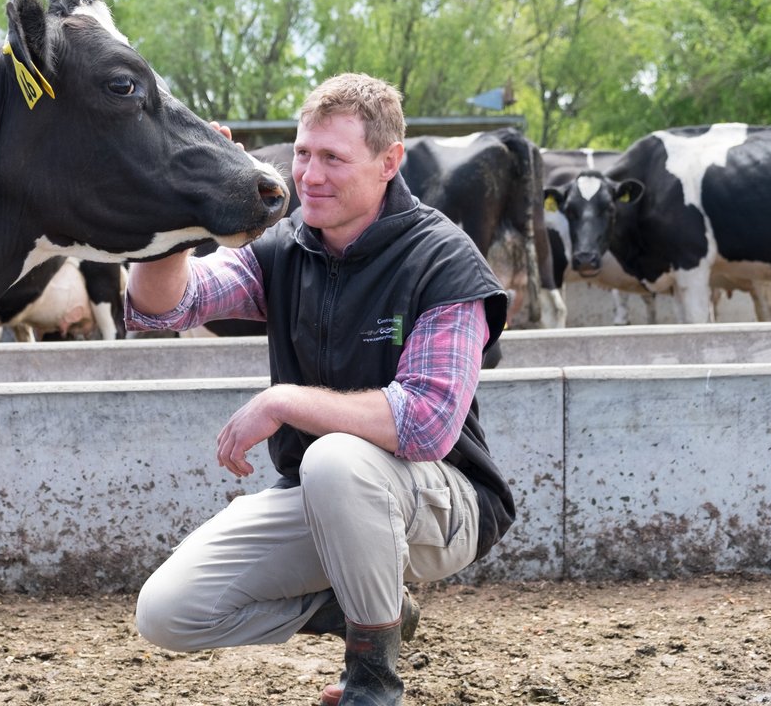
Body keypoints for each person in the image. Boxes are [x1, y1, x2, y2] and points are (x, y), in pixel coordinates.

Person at [127, 73, 514, 706]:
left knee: (333, 456)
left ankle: (373, 682)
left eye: (334, 158)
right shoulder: (285, 247)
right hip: (330, 499)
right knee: (169, 612)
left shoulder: (443, 261)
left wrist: (282, 401)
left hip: (444, 504)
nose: (309, 175)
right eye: (303, 153)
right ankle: (370, 614)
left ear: (390, 162)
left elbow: (427, 424)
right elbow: (165, 306)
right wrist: (175, 218)